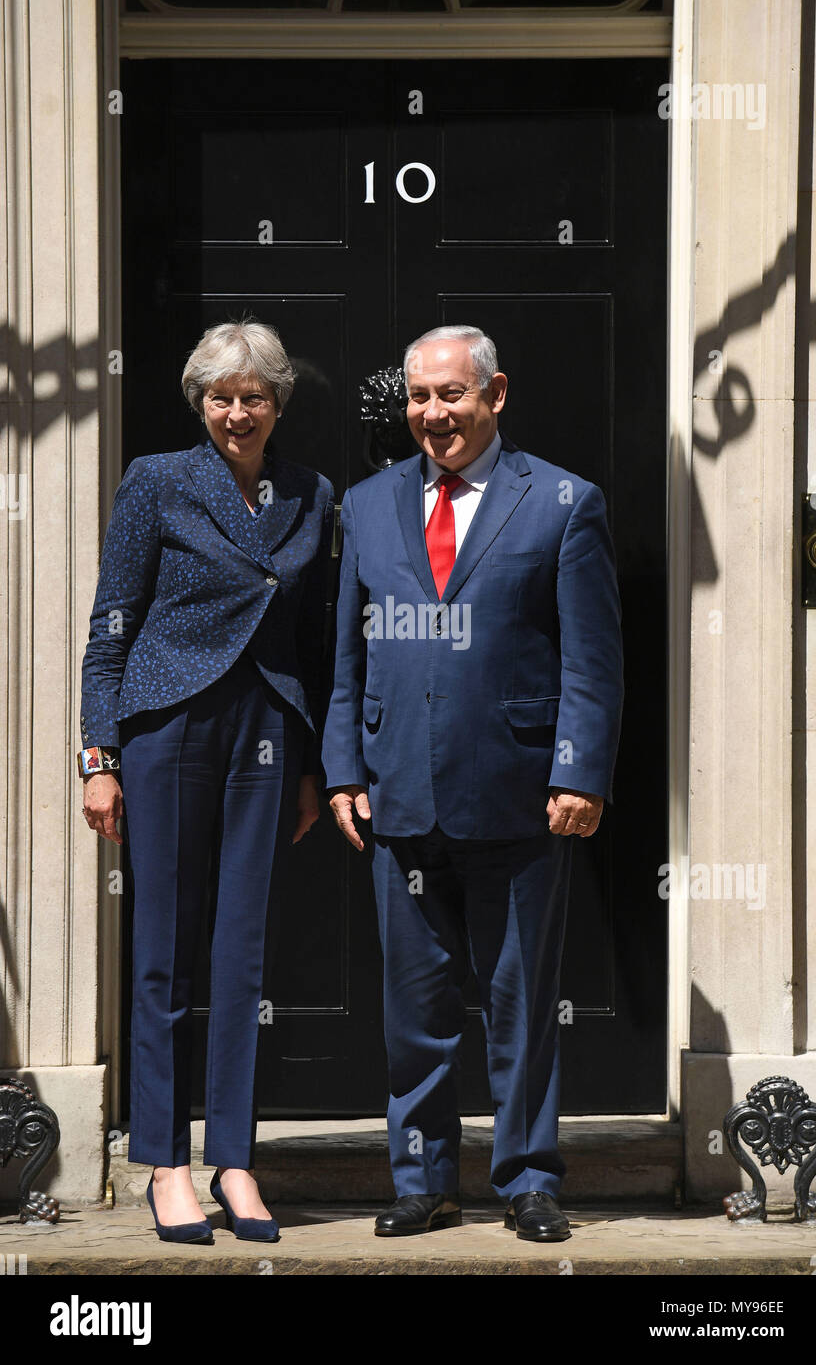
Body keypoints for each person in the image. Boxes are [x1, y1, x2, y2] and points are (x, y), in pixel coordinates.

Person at [323, 324, 623, 1243]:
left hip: (521, 793)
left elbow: (592, 658)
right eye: (419, 397)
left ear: (495, 395)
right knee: (414, 1012)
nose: (434, 414)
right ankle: (424, 1181)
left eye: (452, 395)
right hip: (399, 791)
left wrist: (580, 770)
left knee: (520, 1005)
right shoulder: (367, 506)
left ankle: (528, 1178)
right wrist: (342, 769)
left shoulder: (564, 502)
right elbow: (347, 654)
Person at [80, 319, 334, 1243]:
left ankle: (234, 1159)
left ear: (278, 404)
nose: (237, 411)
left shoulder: (311, 494)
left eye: (254, 396)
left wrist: (311, 762)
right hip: (168, 728)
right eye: (221, 397)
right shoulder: (156, 480)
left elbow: (312, 638)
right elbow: (113, 619)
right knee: (164, 953)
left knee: (241, 953)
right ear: (202, 403)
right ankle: (166, 1164)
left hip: (265, 728)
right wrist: (98, 755)